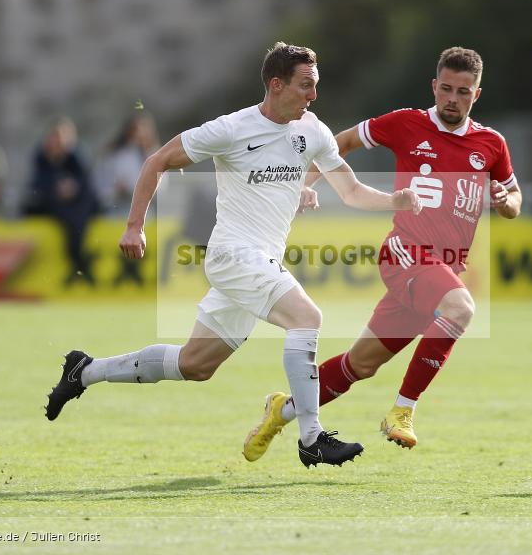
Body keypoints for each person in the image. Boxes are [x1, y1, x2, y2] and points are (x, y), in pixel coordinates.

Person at [43, 42, 422, 468]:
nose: (313, 95)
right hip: (233, 255)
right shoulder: (232, 128)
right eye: (304, 86)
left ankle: (85, 371)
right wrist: (134, 225)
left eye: (315, 86)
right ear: (276, 85)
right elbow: (157, 161)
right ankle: (311, 436)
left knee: (195, 364)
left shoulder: (311, 131)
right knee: (308, 318)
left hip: (258, 262)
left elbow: (351, 190)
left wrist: (398, 201)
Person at [243, 46, 522, 461]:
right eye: (445, 89)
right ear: (434, 86)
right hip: (406, 255)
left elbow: (514, 197)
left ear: (476, 95)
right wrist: (309, 182)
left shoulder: (491, 144)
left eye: (463, 92)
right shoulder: (406, 123)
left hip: (439, 272)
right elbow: (342, 142)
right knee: (461, 307)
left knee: (360, 365)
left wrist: (505, 200)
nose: (452, 98)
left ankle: (281, 411)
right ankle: (402, 412)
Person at [22, 117, 101, 286]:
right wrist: (55, 187)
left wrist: (73, 187)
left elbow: (87, 185)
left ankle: (78, 259)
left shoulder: (77, 156)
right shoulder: (41, 157)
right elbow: (36, 185)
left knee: (77, 218)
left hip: (76, 205)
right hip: (53, 204)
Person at [97, 112, 160, 214]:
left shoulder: (155, 154)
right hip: (118, 205)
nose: (139, 135)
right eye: (136, 130)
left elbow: (161, 187)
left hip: (145, 208)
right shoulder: (116, 154)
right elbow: (103, 182)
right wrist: (116, 189)